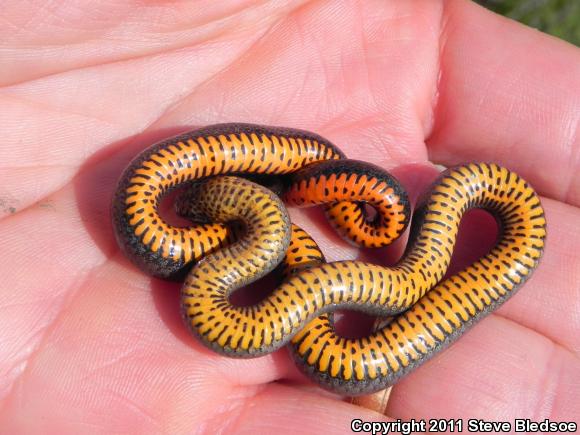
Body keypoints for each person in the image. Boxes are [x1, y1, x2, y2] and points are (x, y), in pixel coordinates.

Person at [0, 0, 578, 431]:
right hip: (295, 254)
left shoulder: (285, 210)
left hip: (349, 267)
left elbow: (344, 206)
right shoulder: (247, 234)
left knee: (401, 283)